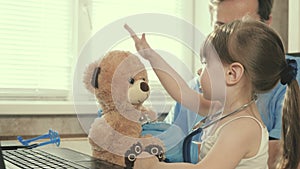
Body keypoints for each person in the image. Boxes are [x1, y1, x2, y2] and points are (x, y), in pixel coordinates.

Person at [124, 18, 299, 169]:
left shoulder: (244, 127)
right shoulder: (222, 110)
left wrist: (154, 166)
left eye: (207, 63)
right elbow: (182, 92)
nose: (200, 71)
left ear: (232, 74)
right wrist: (151, 56)